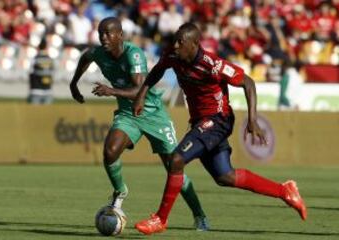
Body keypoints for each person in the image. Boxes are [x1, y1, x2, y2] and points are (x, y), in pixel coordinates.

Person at [133, 23, 307, 235]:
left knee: (176, 160)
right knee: (225, 176)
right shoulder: (172, 55)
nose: (176, 45)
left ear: (195, 44)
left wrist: (252, 119)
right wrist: (141, 95)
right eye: (175, 40)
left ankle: (160, 219)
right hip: (200, 122)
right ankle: (284, 191)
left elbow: (248, 83)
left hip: (218, 119)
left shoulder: (213, 64)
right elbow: (157, 71)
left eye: (181, 41)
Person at [69, 17, 209, 230]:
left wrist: (111, 90)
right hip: (128, 114)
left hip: (152, 114)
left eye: (109, 33)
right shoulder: (99, 53)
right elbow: (86, 56)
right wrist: (73, 83)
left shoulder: (133, 54)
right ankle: (120, 191)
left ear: (120, 35)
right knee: (109, 152)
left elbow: (138, 90)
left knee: (174, 167)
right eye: (101, 34)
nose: (104, 38)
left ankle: (199, 215)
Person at [28, 37, 54, 104]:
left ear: (38, 48)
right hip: (48, 89)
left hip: (36, 89)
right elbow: (53, 73)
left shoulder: (35, 59)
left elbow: (30, 72)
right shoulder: (50, 60)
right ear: (46, 48)